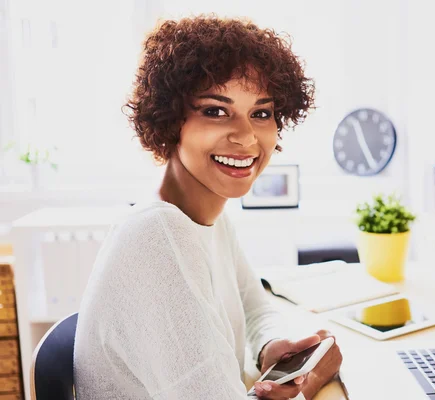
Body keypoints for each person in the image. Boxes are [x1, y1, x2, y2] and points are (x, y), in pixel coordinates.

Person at [73, 15, 342, 400]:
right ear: (170, 120)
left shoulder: (208, 219)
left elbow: (254, 308)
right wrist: (311, 382)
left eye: (261, 113)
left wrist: (272, 347)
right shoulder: (158, 235)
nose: (246, 136)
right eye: (216, 110)